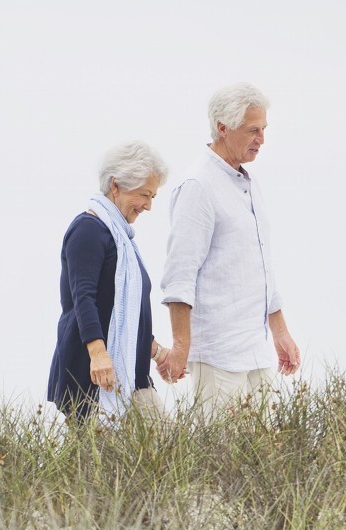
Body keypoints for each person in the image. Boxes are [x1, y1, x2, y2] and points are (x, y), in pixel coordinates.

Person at [160, 82, 301, 416]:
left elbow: (260, 266)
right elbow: (179, 274)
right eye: (253, 130)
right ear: (223, 128)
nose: (261, 139)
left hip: (256, 351)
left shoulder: (248, 184)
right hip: (218, 354)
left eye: (264, 129)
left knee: (269, 443)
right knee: (220, 447)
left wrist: (280, 331)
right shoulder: (198, 185)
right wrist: (180, 346)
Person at [47, 141, 172, 422]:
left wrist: (157, 353)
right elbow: (84, 299)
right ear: (116, 185)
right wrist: (99, 354)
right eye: (144, 195)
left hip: (131, 377)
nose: (149, 206)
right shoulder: (88, 230)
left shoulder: (122, 241)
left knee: (167, 444)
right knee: (104, 454)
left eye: (153, 196)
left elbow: (124, 316)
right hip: (93, 378)